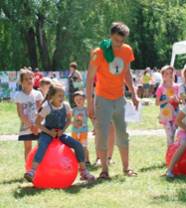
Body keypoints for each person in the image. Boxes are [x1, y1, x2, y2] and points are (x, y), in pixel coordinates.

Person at [86, 22, 139, 179]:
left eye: (121, 41)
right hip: (102, 99)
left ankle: (126, 168)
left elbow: (127, 73)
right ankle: (104, 170)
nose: (118, 44)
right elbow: (89, 80)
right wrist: (90, 104)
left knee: (123, 134)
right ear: (110, 36)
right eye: (116, 40)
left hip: (119, 99)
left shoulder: (127, 50)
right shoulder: (99, 53)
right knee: (102, 134)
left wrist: (134, 93)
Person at [24, 82, 95, 182]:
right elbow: (37, 123)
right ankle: (32, 171)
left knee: (78, 145)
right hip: (47, 134)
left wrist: (63, 130)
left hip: (60, 134)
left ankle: (83, 171)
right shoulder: (47, 107)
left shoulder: (65, 106)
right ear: (52, 96)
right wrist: (49, 132)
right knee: (42, 145)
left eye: (63, 95)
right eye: (59, 96)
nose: (62, 98)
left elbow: (69, 120)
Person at [15, 68, 43, 160]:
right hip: (26, 126)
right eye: (26, 79)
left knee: (41, 146)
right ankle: (28, 169)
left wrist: (36, 126)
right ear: (21, 82)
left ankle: (39, 167)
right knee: (28, 148)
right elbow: (20, 114)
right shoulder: (18, 95)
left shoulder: (38, 94)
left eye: (31, 78)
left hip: (38, 125)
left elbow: (40, 111)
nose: (29, 81)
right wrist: (31, 126)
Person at [156, 65, 179, 146]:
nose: (169, 75)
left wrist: (177, 100)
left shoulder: (177, 86)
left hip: (175, 114)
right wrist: (167, 99)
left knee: (174, 134)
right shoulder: (161, 88)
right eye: (166, 73)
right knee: (169, 135)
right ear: (162, 76)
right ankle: (170, 154)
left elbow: (180, 100)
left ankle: (173, 153)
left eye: (170, 73)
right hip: (166, 115)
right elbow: (157, 103)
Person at [71, 91, 90, 165]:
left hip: (83, 131)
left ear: (84, 99)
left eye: (80, 99)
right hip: (75, 131)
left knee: (84, 146)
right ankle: (78, 160)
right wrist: (73, 123)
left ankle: (86, 160)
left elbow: (91, 117)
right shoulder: (74, 110)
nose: (78, 101)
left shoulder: (86, 110)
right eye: (76, 100)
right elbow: (68, 119)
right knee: (76, 146)